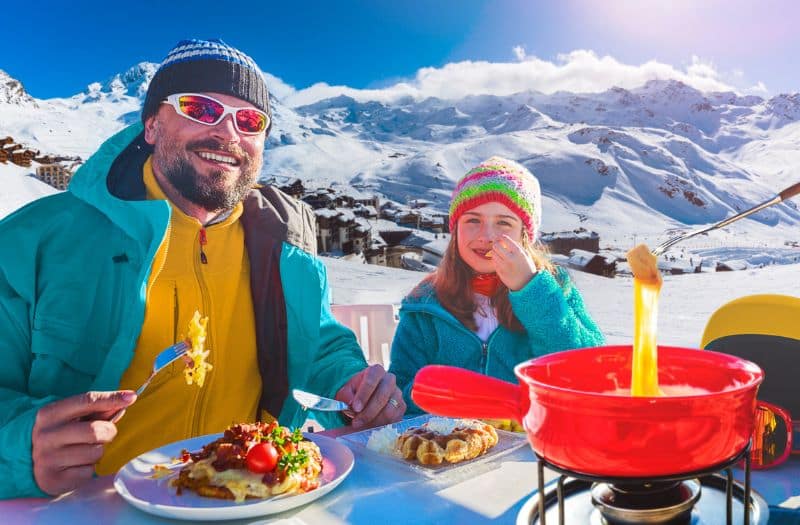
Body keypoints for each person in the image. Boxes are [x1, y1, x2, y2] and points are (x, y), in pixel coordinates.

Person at [0, 39, 405, 499]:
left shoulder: (285, 243)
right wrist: (17, 448)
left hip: (246, 495)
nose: (229, 135)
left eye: (249, 121)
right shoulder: (36, 240)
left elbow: (317, 346)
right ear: (151, 125)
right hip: (86, 508)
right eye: (201, 108)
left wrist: (350, 387)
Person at [389, 157, 604, 414]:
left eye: (503, 222)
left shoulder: (554, 289)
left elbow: (587, 374)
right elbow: (400, 393)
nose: (486, 236)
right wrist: (455, 400)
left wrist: (531, 290)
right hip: (453, 444)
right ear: (455, 229)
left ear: (524, 235)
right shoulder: (425, 304)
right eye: (472, 220)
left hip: (533, 444)